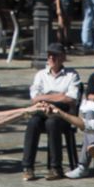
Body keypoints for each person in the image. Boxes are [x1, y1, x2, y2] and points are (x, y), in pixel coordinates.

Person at [22, 47, 82, 180]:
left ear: (62, 57)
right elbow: (34, 98)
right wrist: (57, 95)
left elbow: (70, 98)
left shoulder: (71, 75)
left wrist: (46, 96)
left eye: (55, 56)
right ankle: (28, 167)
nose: (51, 59)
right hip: (43, 109)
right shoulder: (41, 75)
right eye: (49, 56)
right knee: (33, 122)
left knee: (52, 122)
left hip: (63, 112)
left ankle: (56, 167)